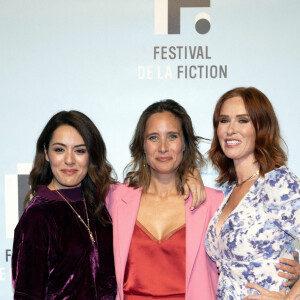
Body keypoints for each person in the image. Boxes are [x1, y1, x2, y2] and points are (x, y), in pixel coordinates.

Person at [106, 99, 224, 300]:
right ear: (142, 145)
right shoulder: (114, 198)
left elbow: (240, 263)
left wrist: (294, 270)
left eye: (172, 137)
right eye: (153, 137)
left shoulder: (213, 202)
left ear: (185, 143)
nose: (163, 147)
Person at [205, 87, 300, 299]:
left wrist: (290, 298)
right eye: (223, 120)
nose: (230, 129)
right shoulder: (230, 191)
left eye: (242, 120)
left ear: (262, 127)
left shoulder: (277, 183)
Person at [12, 111, 117, 299]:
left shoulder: (101, 203)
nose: (69, 160)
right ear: (46, 153)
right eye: (59, 150)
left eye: (80, 150)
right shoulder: (38, 216)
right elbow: (27, 294)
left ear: (91, 155)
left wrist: (188, 177)